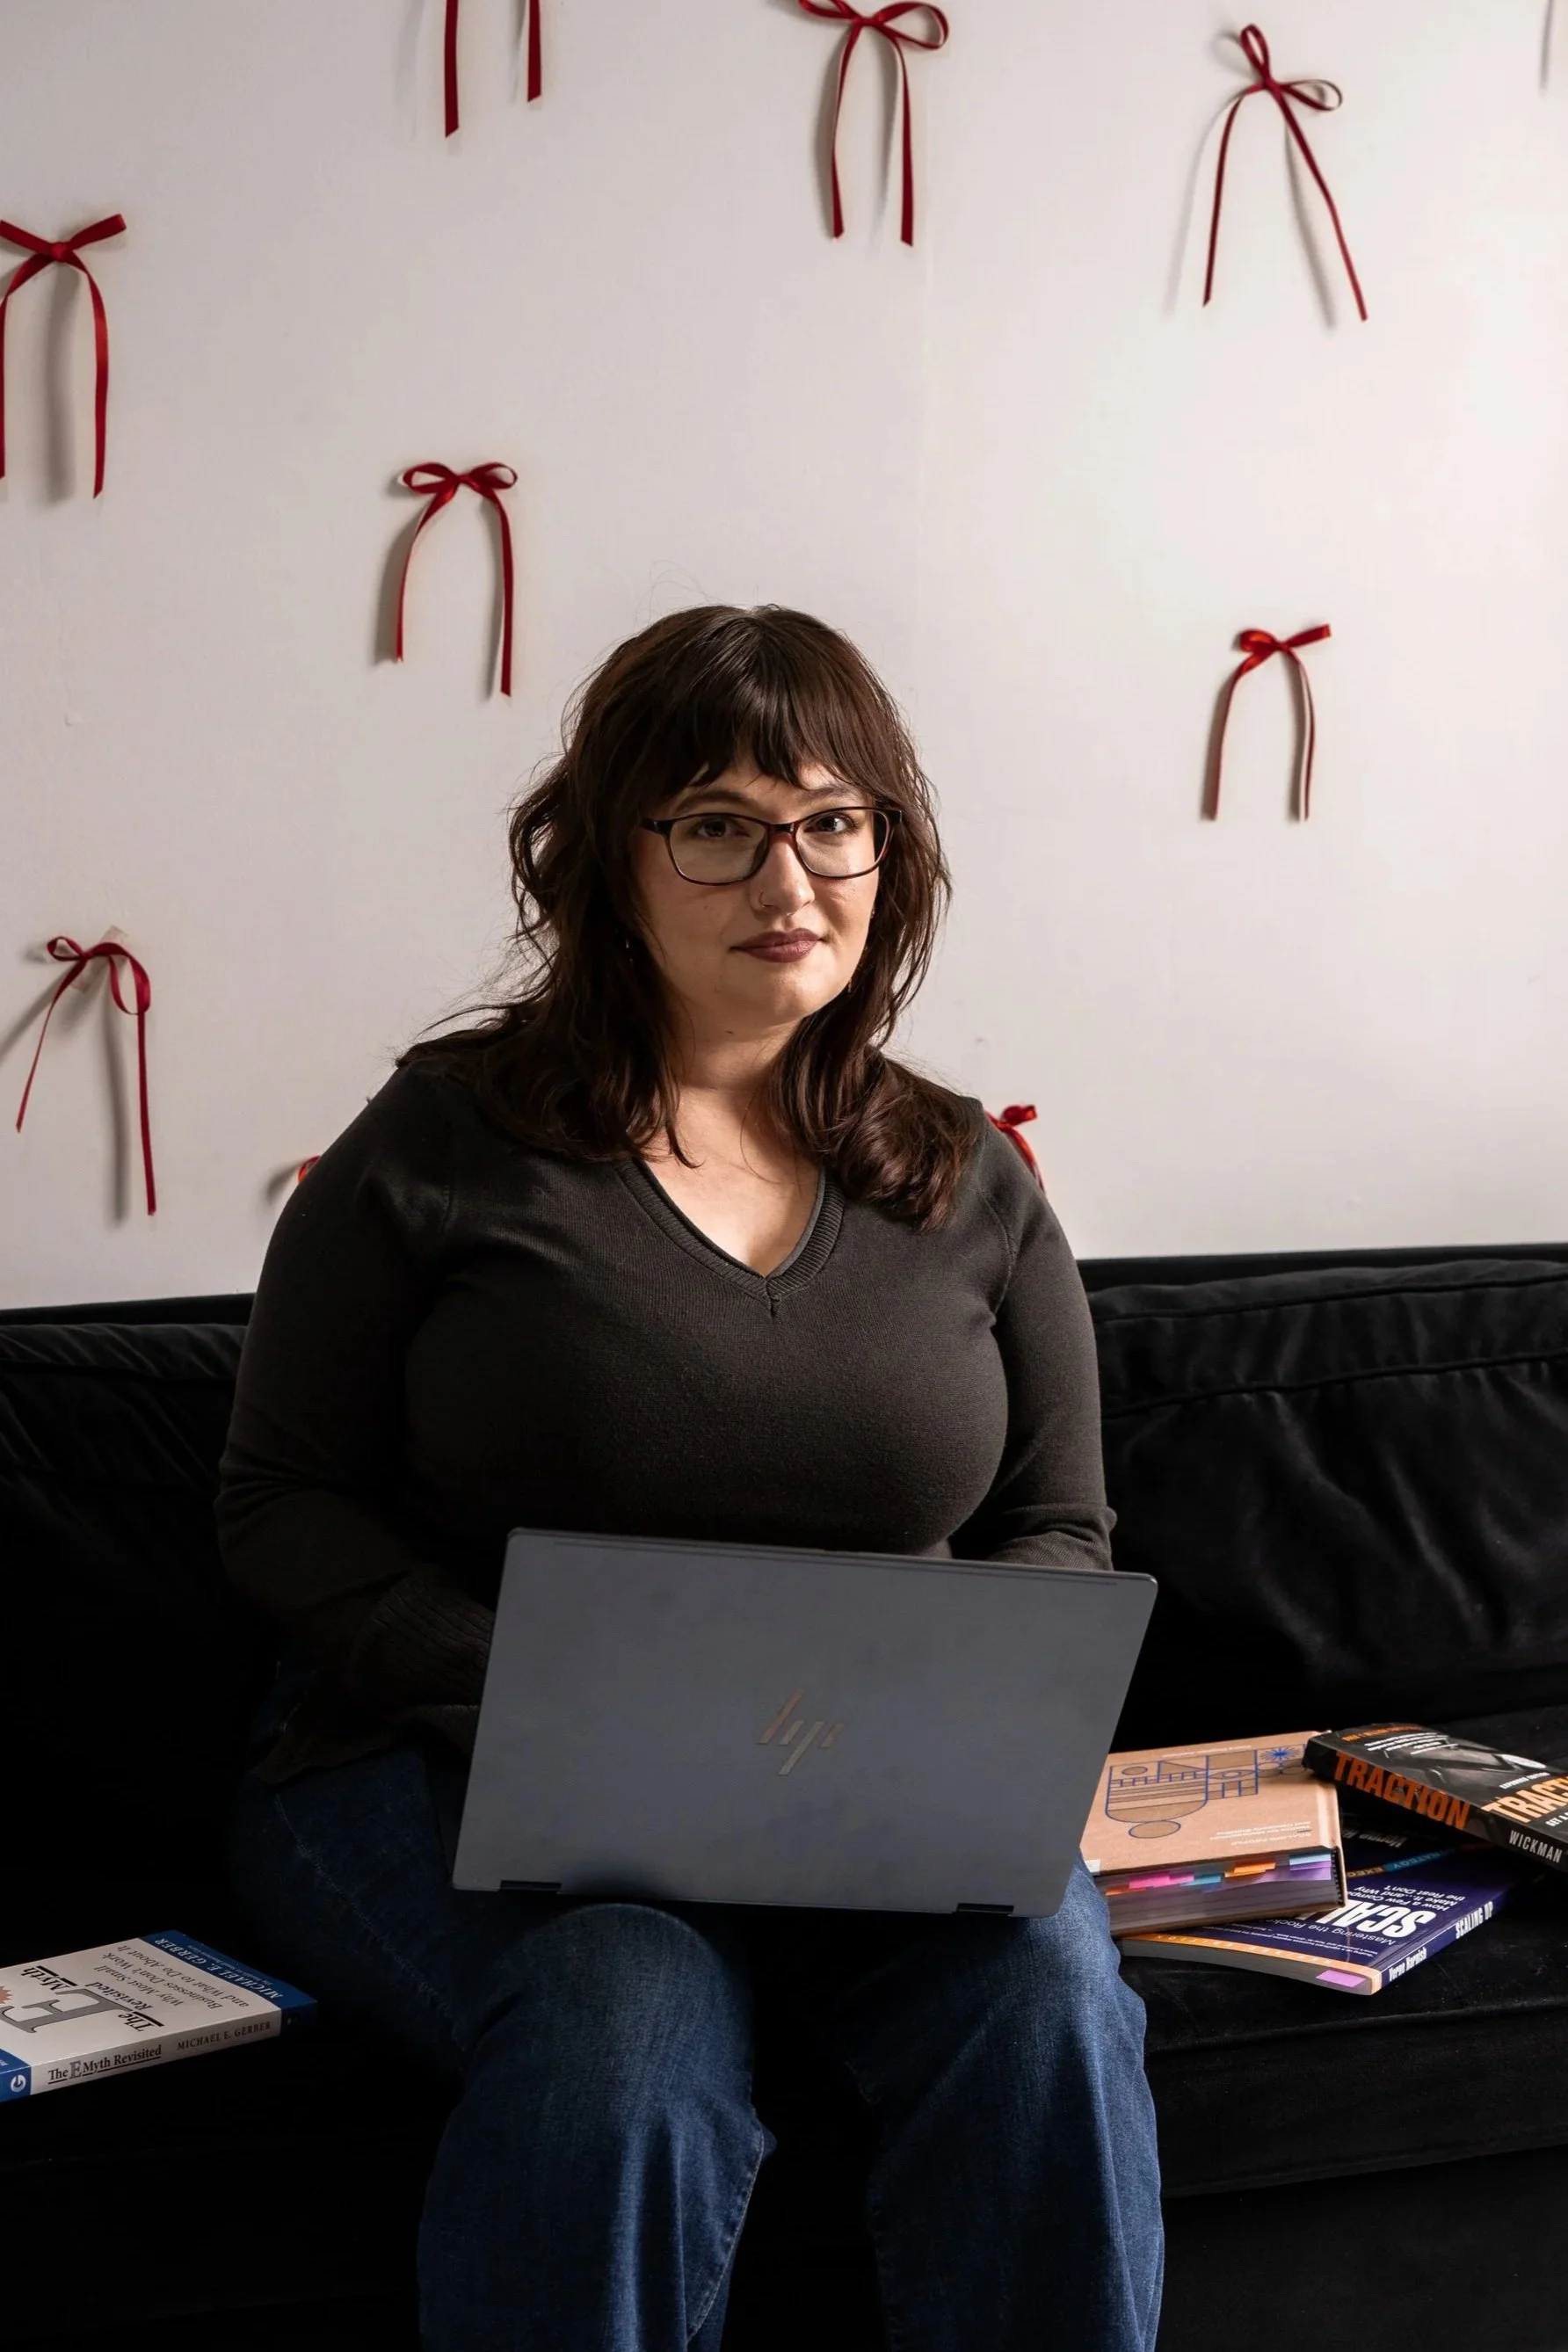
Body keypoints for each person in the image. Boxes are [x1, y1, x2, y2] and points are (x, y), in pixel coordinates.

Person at [220, 605, 1163, 2352]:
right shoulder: (440, 1141)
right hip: (457, 1760)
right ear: (610, 858)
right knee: (624, 2019)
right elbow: (278, 1500)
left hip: (862, 1787)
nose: (787, 879)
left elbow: (1057, 1525)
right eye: (720, 826)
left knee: (1045, 1984)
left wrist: (952, 1725)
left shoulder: (968, 1175)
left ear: (889, 850)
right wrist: (531, 1687)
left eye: (833, 822)